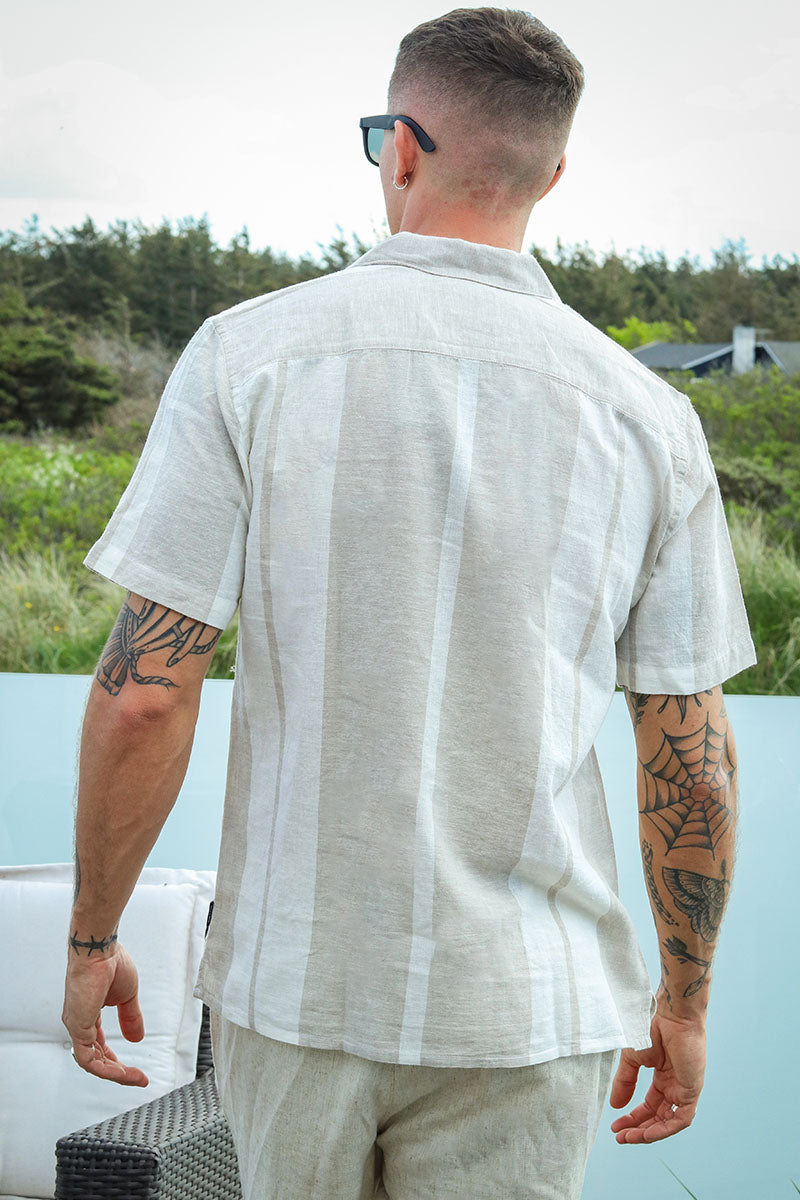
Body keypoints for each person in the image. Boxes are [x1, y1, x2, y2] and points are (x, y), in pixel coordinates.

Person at [61, 8, 756, 1199]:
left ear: (399, 147)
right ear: (549, 175)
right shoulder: (650, 420)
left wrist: (91, 940)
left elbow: (144, 697)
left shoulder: (247, 358)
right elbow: (689, 756)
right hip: (528, 1008)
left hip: (300, 989)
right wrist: (683, 1004)